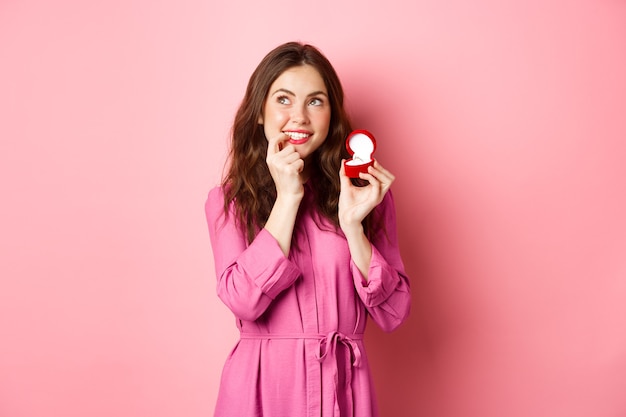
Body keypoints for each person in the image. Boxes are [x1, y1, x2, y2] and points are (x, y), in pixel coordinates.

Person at [205, 41, 411, 417]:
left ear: (331, 115)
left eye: (315, 101)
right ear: (260, 113)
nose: (299, 116)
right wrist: (287, 198)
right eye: (283, 99)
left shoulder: (366, 196)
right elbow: (242, 300)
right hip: (261, 392)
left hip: (343, 391)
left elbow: (394, 313)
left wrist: (353, 227)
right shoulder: (229, 201)